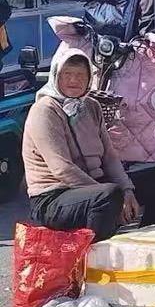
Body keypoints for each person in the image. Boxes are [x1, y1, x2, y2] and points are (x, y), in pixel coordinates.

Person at [23, 47, 139, 239]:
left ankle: (152, 244)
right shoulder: (44, 110)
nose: (74, 80)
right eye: (67, 74)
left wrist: (127, 191)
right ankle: (93, 258)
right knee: (108, 196)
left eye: (80, 75)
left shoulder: (91, 106)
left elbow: (109, 157)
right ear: (56, 76)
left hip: (94, 187)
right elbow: (63, 170)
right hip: (54, 197)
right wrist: (111, 194)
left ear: (89, 79)